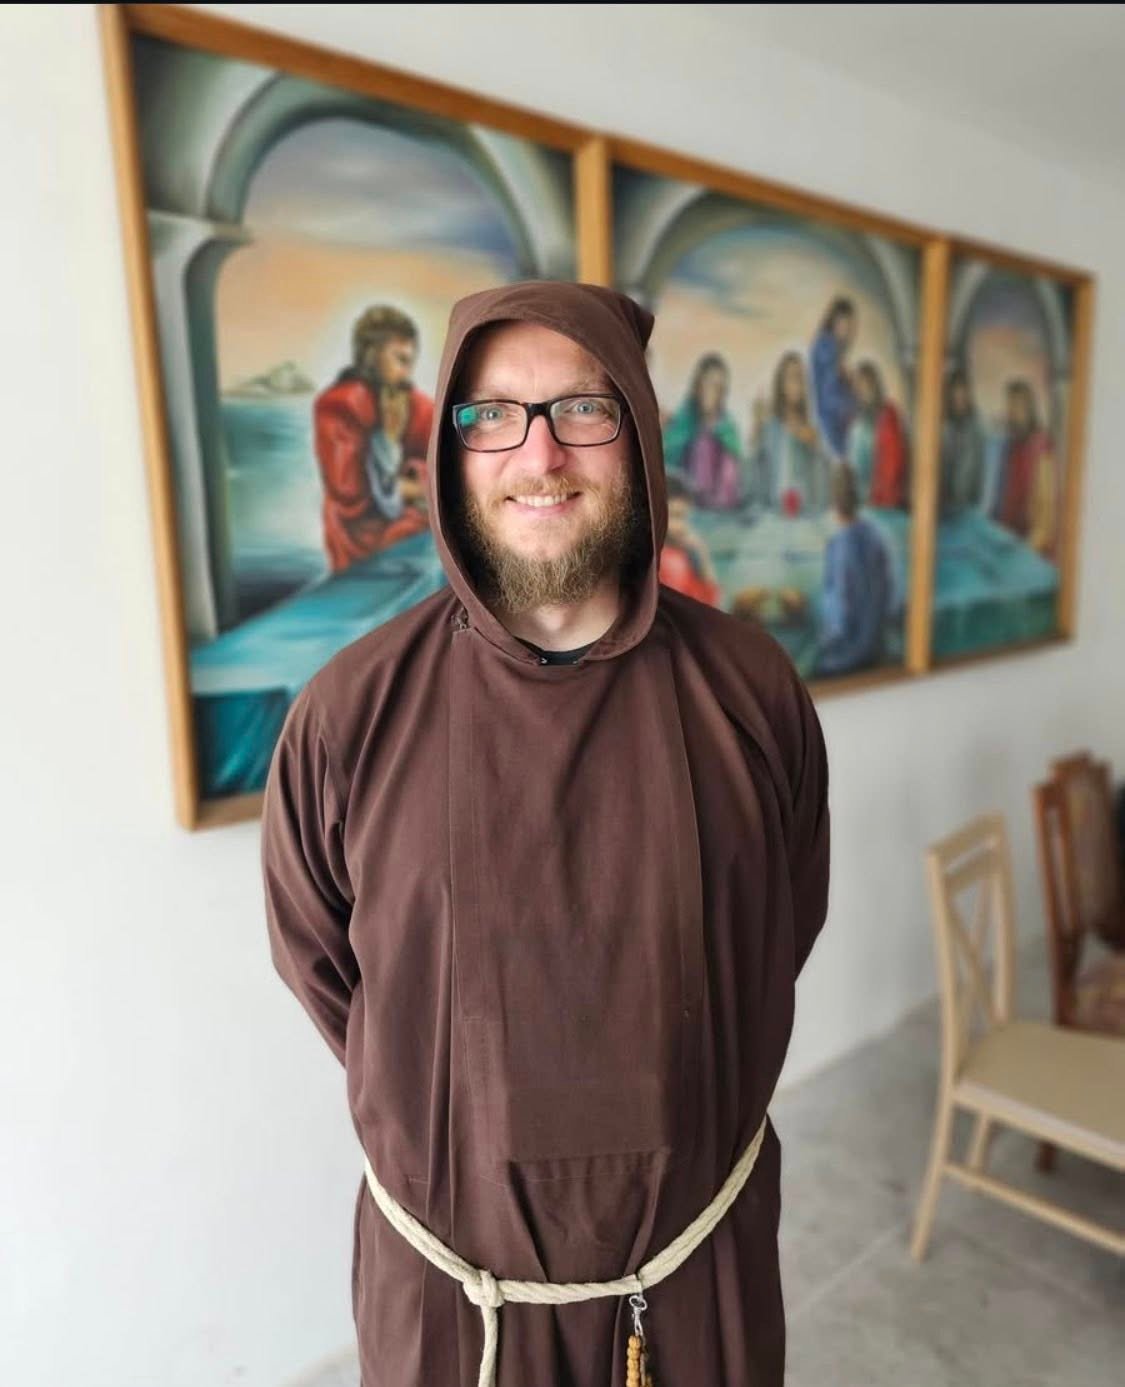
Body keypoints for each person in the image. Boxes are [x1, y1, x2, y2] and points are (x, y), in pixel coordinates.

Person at [261, 281, 830, 1387]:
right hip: (451, 1311)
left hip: (696, 1284)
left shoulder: (753, 693)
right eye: (493, 415)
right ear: (450, 448)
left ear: (640, 433)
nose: (540, 454)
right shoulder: (347, 714)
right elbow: (330, 974)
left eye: (583, 407)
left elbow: (778, 931)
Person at [313, 304, 434, 572]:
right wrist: (388, 442)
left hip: (412, 529)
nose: (407, 372)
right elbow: (348, 490)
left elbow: (446, 462)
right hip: (356, 539)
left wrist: (420, 481)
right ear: (371, 355)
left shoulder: (416, 404)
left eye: (411, 362)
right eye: (400, 360)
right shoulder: (340, 405)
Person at [818, 461, 893, 676]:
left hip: (848, 658)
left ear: (833, 502)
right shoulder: (874, 536)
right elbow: (888, 593)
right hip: (876, 646)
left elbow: (840, 617)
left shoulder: (840, 547)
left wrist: (826, 640)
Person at [749, 350, 832, 515]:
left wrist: (816, 445)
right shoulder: (770, 426)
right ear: (781, 384)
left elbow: (824, 485)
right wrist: (757, 426)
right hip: (774, 514)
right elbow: (754, 472)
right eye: (792, 377)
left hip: (804, 514)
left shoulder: (810, 430)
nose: (797, 383)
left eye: (801, 378)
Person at [661, 352, 745, 509]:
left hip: (722, 506)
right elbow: (669, 461)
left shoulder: (727, 427)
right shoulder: (684, 419)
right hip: (685, 501)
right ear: (699, 386)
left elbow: (736, 472)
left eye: (720, 387)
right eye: (710, 384)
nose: (715, 392)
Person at [993, 379, 1058, 557]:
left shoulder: (1042, 448)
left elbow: (1045, 521)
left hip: (1032, 551)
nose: (1013, 413)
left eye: (1018, 406)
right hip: (1010, 541)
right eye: (1010, 406)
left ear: (1030, 409)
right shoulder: (1011, 446)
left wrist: (1024, 551)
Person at [849, 360, 910, 510]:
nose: (863, 392)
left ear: (875, 385)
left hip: (890, 498)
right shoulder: (858, 425)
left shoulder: (889, 415)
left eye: (867, 385)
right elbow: (856, 467)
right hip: (866, 500)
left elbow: (897, 458)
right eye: (859, 388)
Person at [658, 473, 722, 605]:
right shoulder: (671, 560)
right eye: (676, 516)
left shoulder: (680, 554)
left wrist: (701, 554)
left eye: (684, 517)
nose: (682, 527)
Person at [809, 296, 857, 458]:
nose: (849, 331)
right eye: (845, 324)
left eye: (851, 326)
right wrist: (854, 402)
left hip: (830, 423)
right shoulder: (828, 348)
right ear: (834, 322)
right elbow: (829, 396)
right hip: (830, 425)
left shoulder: (829, 348)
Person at [938, 368, 985, 518]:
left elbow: (975, 473)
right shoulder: (945, 427)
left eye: (963, 396)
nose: (960, 401)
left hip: (968, 508)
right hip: (945, 506)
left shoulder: (976, 429)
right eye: (956, 396)